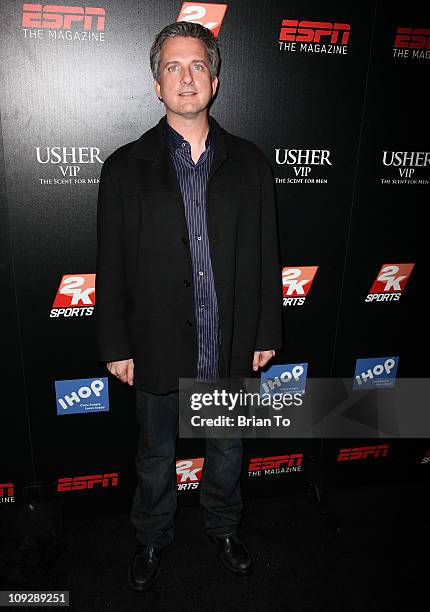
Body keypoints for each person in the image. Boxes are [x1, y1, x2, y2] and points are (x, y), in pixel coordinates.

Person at [95, 21, 282, 592]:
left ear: (216, 79)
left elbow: (264, 256)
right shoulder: (125, 167)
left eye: (197, 65)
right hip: (154, 342)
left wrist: (263, 332)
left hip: (225, 345)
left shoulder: (250, 164)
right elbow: (111, 266)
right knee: (154, 457)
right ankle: (152, 537)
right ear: (156, 85)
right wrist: (116, 345)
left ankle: (224, 528)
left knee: (227, 449)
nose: (185, 77)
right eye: (172, 67)